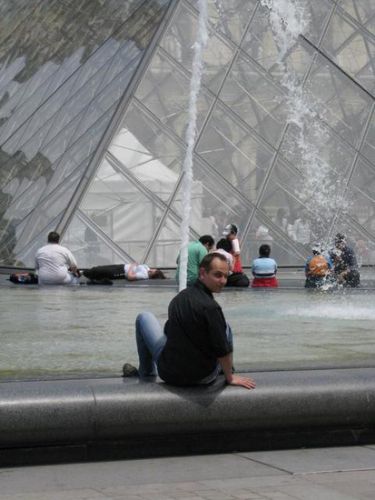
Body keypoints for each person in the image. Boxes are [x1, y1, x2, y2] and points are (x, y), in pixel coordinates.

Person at [123, 253, 256, 390]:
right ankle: (227, 371)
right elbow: (222, 348)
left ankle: (146, 374)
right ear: (203, 273)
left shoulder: (179, 299)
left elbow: (168, 332)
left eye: (226, 276)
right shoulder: (211, 308)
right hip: (202, 377)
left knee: (144, 317)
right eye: (218, 275)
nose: (223, 281)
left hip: (169, 373)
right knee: (225, 328)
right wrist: (230, 378)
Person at [83, 264, 166, 283]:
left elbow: (130, 277)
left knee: (102, 272)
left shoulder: (144, 275)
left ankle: (84, 273)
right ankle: (86, 273)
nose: (151, 270)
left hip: (121, 272)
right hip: (121, 266)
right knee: (100, 268)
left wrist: (132, 266)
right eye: (153, 270)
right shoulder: (147, 268)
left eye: (152, 272)